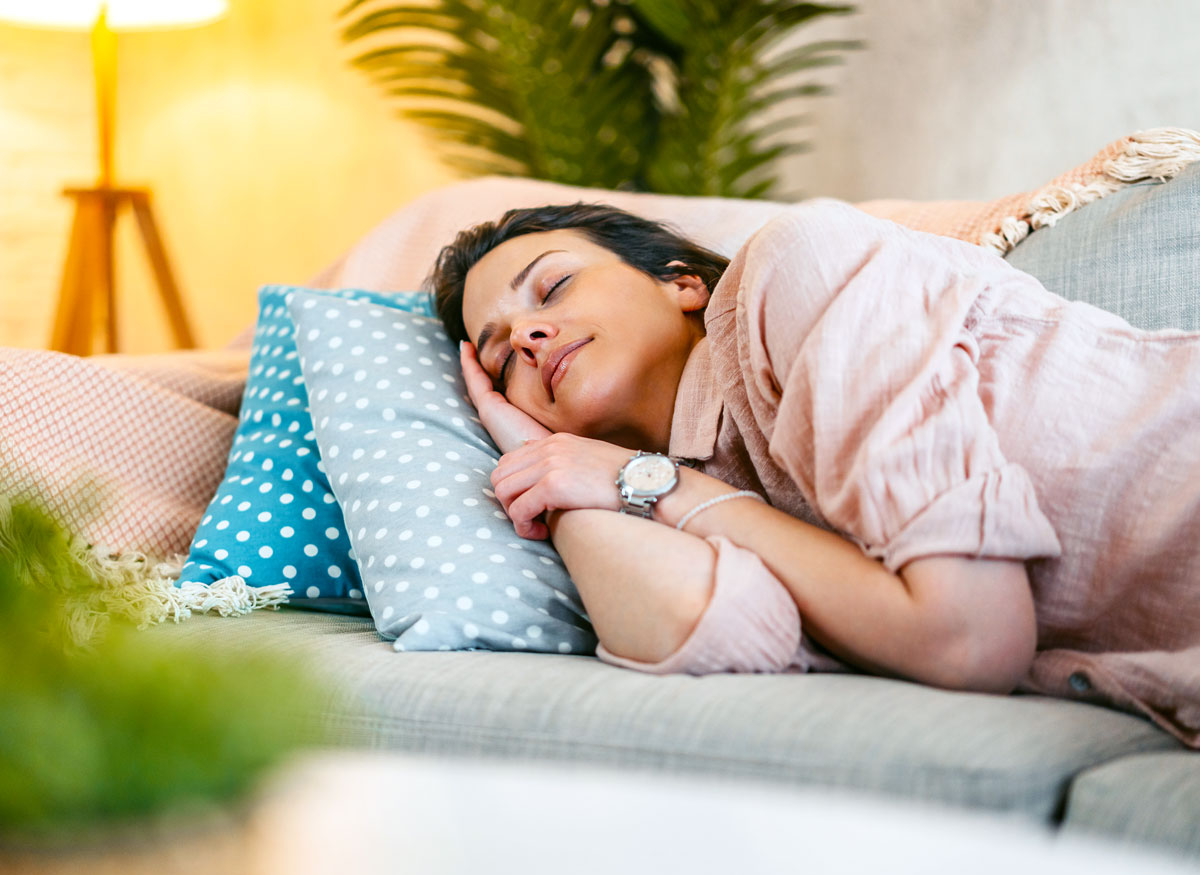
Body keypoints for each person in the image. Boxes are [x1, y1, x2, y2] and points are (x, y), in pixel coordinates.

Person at [427, 199, 1200, 748]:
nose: (526, 335)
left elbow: (968, 641)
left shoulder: (797, 272)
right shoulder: (650, 491)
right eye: (499, 359)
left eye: (554, 288)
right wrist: (548, 470)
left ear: (679, 280)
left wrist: (669, 489)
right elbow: (719, 630)